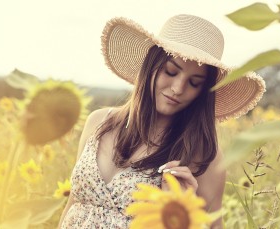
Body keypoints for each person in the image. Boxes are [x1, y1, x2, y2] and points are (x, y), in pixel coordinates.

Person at [58, 14, 265, 228]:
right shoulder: (98, 122)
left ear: (203, 92)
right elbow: (73, 204)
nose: (178, 89)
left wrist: (182, 210)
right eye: (171, 71)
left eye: (194, 83)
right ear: (151, 65)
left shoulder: (203, 155)